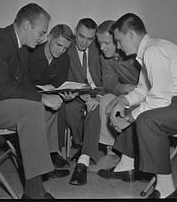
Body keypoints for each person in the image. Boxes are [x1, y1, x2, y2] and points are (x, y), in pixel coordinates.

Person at [97, 13, 177, 199]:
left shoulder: (154, 51)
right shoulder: (146, 52)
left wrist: (129, 118)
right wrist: (123, 101)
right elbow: (144, 90)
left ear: (132, 35)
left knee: (147, 120)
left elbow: (159, 98)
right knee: (134, 111)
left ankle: (167, 189)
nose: (118, 46)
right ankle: (127, 165)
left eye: (119, 41)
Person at [0, 3, 65, 199]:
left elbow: (23, 84)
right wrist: (41, 98)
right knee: (33, 109)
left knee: (47, 109)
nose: (43, 38)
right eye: (41, 33)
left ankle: (43, 167)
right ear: (26, 25)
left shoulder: (22, 48)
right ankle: (34, 192)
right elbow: (2, 89)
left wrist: (45, 95)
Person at [69, 20, 141, 186]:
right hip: (124, 93)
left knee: (110, 102)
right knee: (103, 102)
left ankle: (128, 156)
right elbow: (110, 84)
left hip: (146, 95)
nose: (101, 48)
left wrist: (131, 90)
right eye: (99, 43)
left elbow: (148, 86)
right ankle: (111, 152)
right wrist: (126, 89)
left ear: (118, 40)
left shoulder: (134, 54)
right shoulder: (105, 57)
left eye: (106, 43)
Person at [26, 24, 76, 178]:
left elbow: (59, 85)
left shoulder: (64, 59)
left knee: (57, 104)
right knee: (44, 108)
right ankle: (45, 159)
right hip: (28, 96)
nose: (61, 50)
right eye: (58, 45)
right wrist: (41, 91)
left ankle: (52, 152)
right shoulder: (31, 53)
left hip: (48, 97)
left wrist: (66, 94)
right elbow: (20, 82)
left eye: (65, 48)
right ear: (49, 38)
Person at [65, 18, 102, 153]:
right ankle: (81, 144)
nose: (84, 42)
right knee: (69, 107)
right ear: (75, 32)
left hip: (98, 92)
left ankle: (86, 151)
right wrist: (78, 93)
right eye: (81, 36)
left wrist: (99, 96)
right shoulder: (66, 49)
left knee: (96, 108)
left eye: (89, 39)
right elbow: (66, 78)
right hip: (77, 93)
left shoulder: (100, 49)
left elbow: (106, 77)